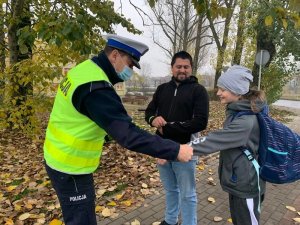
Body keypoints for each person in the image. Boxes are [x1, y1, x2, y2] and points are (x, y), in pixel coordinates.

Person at [43, 34, 194, 225]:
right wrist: (175, 150)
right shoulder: (96, 88)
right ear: (114, 55)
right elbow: (128, 134)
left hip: (58, 156)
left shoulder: (84, 70)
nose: (130, 71)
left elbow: (86, 117)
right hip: (70, 167)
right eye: (130, 64)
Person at [191, 65, 267, 225]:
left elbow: (215, 140)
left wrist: (181, 149)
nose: (218, 93)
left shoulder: (245, 121)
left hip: (247, 184)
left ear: (237, 91)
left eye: (223, 89)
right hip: (239, 180)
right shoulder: (238, 112)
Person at [145, 51, 209, 225]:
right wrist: (153, 120)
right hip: (162, 148)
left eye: (186, 67)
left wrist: (169, 126)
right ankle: (170, 220)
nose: (182, 70)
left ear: (191, 68)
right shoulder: (162, 89)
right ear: (172, 68)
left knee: (188, 194)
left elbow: (200, 122)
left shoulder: (199, 91)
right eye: (178, 66)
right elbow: (150, 112)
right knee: (170, 190)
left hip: (185, 149)